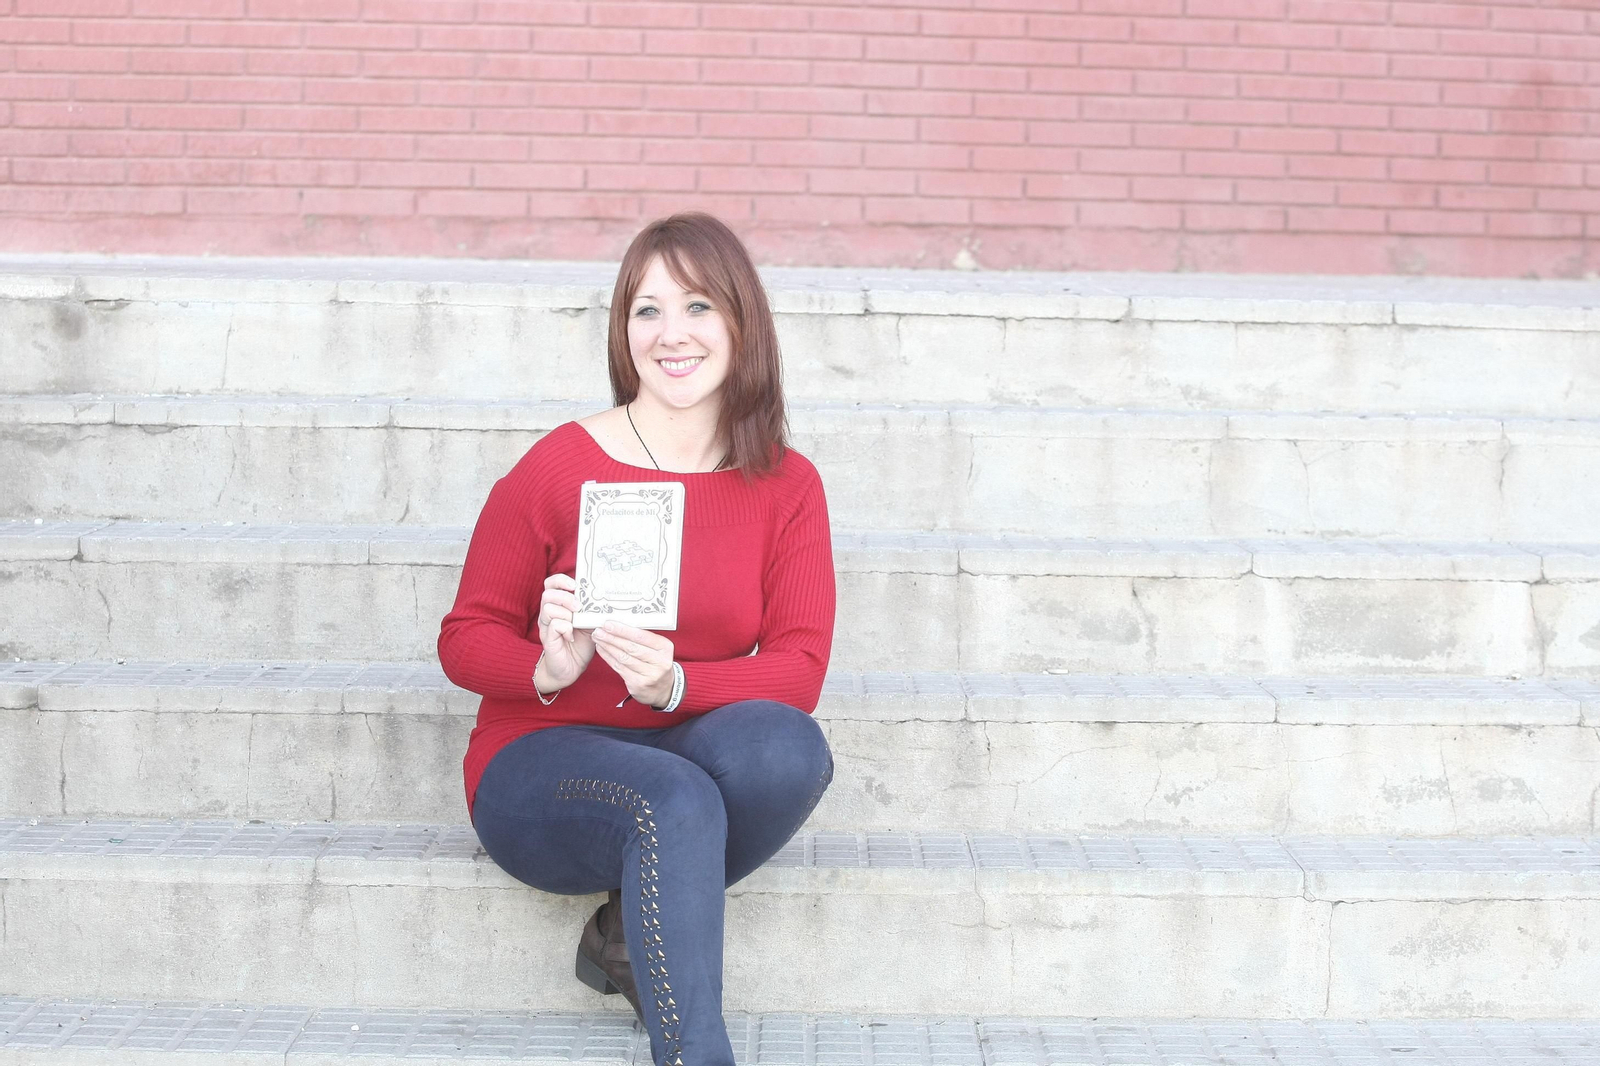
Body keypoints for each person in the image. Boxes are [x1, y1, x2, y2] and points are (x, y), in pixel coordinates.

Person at [438, 211, 837, 1066]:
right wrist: (544, 667)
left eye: (697, 307)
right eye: (646, 311)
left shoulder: (787, 484)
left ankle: (630, 928)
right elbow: (464, 636)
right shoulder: (560, 463)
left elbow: (799, 667)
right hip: (540, 755)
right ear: (623, 332)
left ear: (741, 321)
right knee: (672, 801)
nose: (671, 334)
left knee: (788, 747)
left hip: (685, 734)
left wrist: (677, 686)